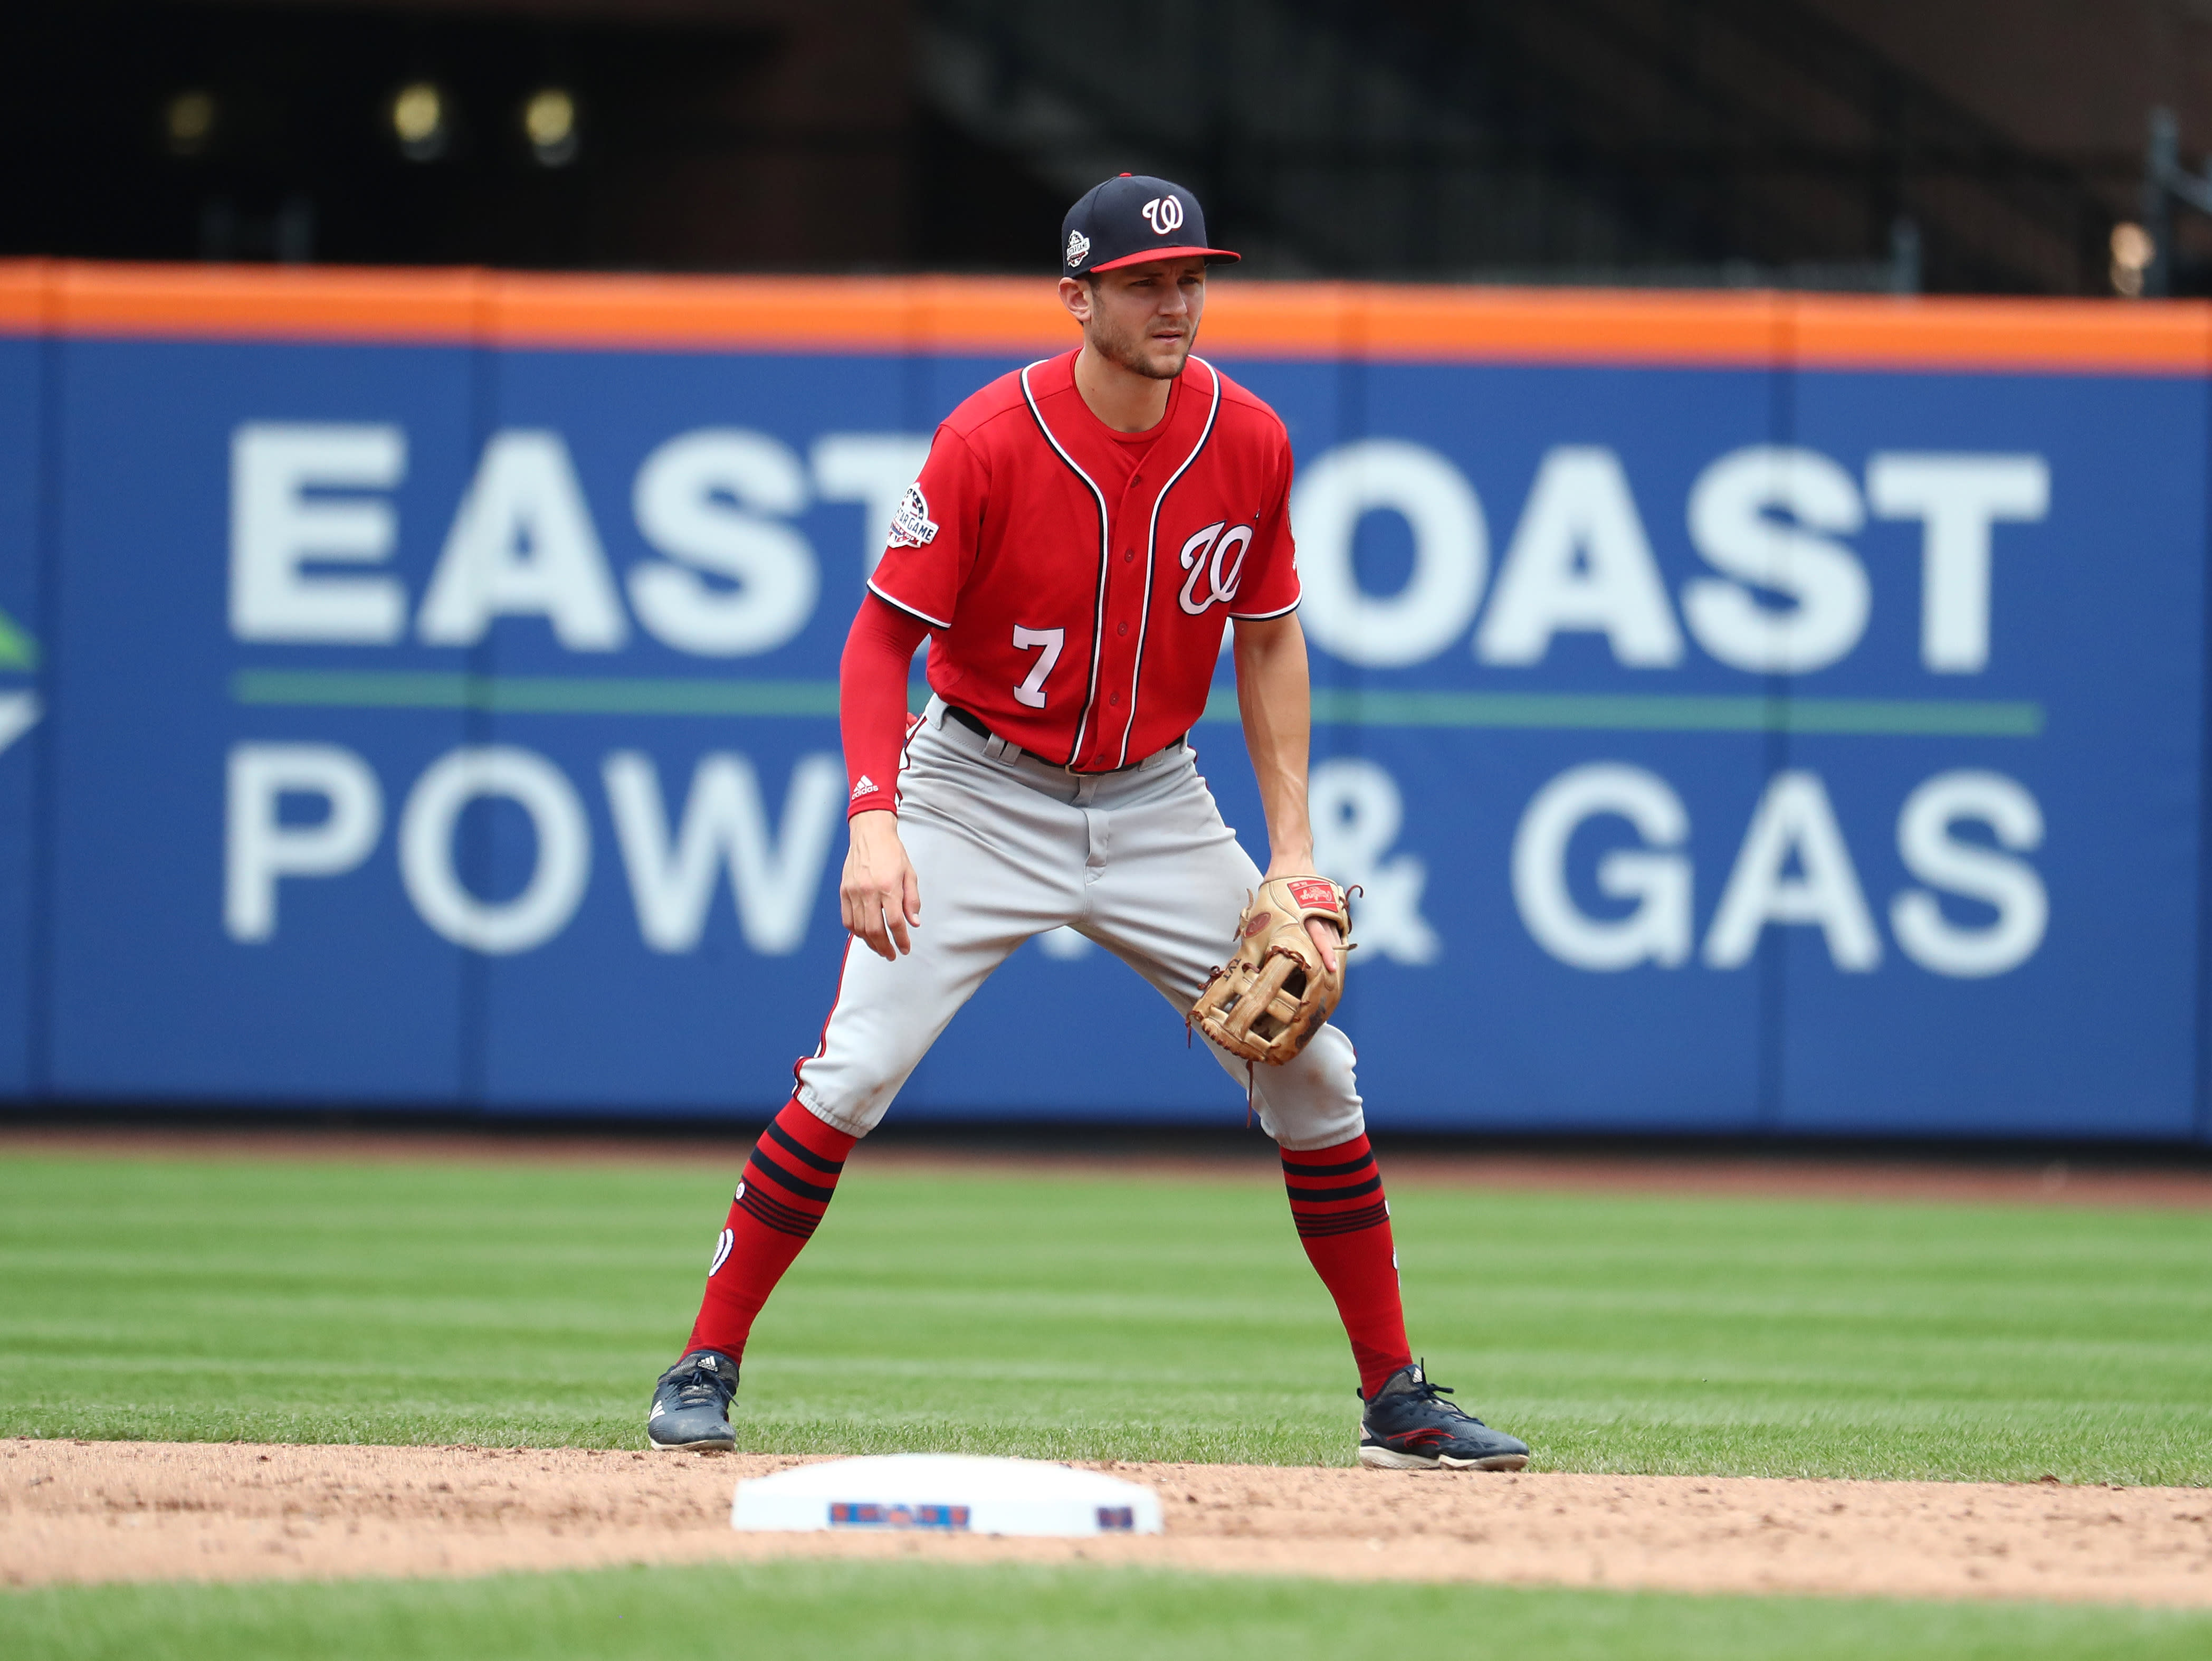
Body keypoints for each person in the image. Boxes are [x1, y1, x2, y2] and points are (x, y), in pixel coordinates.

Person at [646, 174, 1529, 1474]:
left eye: (1189, 278)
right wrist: (873, 819)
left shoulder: (1250, 437)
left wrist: (1292, 849)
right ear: (1078, 298)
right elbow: (877, 637)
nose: (1174, 302)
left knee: (1314, 1069)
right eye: (1142, 282)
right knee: (853, 1071)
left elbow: (1269, 636)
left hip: (1153, 795)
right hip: (975, 789)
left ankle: (1394, 1398)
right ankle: (701, 1362)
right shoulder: (986, 439)